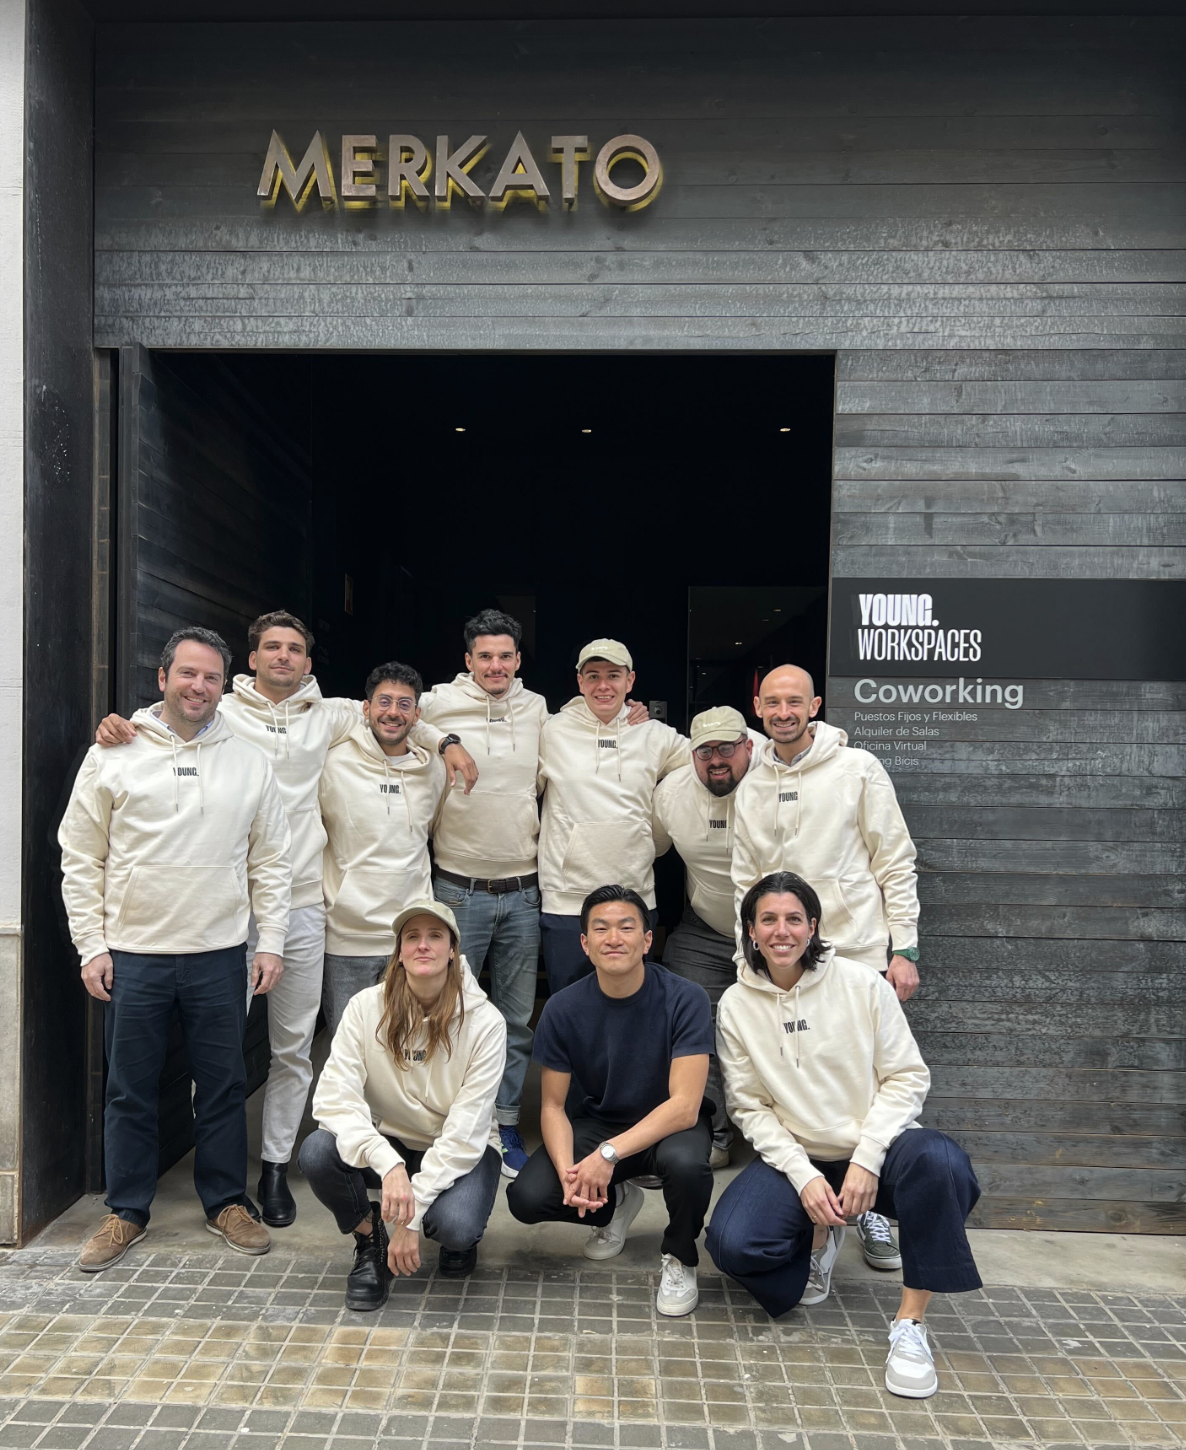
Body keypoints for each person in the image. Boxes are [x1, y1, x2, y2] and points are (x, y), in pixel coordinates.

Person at [92, 610, 476, 1228]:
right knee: (216, 1059)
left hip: (299, 906)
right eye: (272, 647)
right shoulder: (220, 709)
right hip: (223, 912)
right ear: (251, 659)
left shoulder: (328, 715)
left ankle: (273, 1168)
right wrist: (124, 723)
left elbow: (398, 714)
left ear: (308, 662)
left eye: (295, 649)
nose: (283, 657)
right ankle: (193, 1188)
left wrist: (448, 743)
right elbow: (170, 716)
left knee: (292, 1048)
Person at [59, 627, 292, 1270]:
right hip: (136, 953)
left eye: (212, 677)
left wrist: (270, 941)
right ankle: (126, 1211)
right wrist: (91, 945)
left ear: (225, 686)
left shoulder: (248, 761)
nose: (199, 686)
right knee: (130, 1089)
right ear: (162, 678)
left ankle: (226, 1201)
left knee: (222, 1086)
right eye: (187, 673)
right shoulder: (114, 753)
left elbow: (271, 860)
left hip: (220, 952)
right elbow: (81, 856)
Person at [706, 872, 981, 1400]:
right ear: (750, 930)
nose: (781, 931)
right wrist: (804, 1175)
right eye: (768, 919)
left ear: (813, 927)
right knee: (732, 1243)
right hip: (800, 1155)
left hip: (879, 1150)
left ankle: (911, 1324)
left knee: (941, 1162)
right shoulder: (737, 1005)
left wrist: (868, 1158)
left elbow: (907, 1077)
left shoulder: (862, 984)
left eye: (794, 919)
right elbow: (748, 1107)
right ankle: (821, 1235)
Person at [731, 663, 921, 1269]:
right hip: (781, 961)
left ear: (815, 706)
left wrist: (904, 947)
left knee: (870, 1082)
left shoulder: (857, 768)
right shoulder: (752, 785)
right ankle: (813, 1212)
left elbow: (894, 858)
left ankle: (872, 1208)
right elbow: (745, 880)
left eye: (795, 702)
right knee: (798, 1089)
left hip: (856, 953)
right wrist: (747, 957)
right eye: (772, 703)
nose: (783, 712)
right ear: (758, 708)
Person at [507, 885, 714, 1317]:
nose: (614, 938)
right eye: (600, 929)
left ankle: (680, 1256)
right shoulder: (563, 1008)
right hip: (602, 1121)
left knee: (688, 1167)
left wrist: (608, 1155)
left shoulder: (685, 997)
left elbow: (685, 1106)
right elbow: (552, 1106)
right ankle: (615, 1204)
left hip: (669, 1124)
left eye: (626, 927)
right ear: (585, 943)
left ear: (648, 939)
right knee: (528, 1197)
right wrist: (569, 1175)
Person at [300, 900, 506, 1308]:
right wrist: (388, 1164)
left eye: (435, 936)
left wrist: (411, 1218)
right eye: (412, 937)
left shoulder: (486, 1022)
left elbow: (466, 1130)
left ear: (453, 950)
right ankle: (369, 1239)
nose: (422, 945)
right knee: (318, 1152)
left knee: (455, 1227)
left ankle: (448, 1228)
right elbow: (334, 1097)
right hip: (391, 1141)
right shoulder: (365, 1008)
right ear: (398, 952)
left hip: (459, 1147)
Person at [536, 641, 689, 993]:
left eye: (613, 676)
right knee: (569, 1005)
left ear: (630, 681)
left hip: (634, 895)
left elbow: (706, 759)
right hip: (567, 898)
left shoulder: (654, 734)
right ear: (580, 682)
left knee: (631, 1004)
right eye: (593, 676)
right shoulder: (551, 731)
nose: (603, 686)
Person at [653, 705, 756, 1170]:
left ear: (749, 746)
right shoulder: (672, 793)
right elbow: (644, 847)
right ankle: (711, 1133)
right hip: (706, 925)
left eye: (727, 749)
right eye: (705, 751)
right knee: (693, 1020)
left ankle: (797, 1137)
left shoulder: (777, 780)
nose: (717, 760)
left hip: (774, 932)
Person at [320, 662, 448, 1036]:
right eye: (384, 702)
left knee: (410, 1047)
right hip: (347, 937)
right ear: (366, 708)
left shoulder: (433, 770)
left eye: (404, 704)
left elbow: (431, 832)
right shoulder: (332, 762)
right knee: (349, 1047)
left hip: (409, 937)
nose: (393, 712)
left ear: (417, 715)